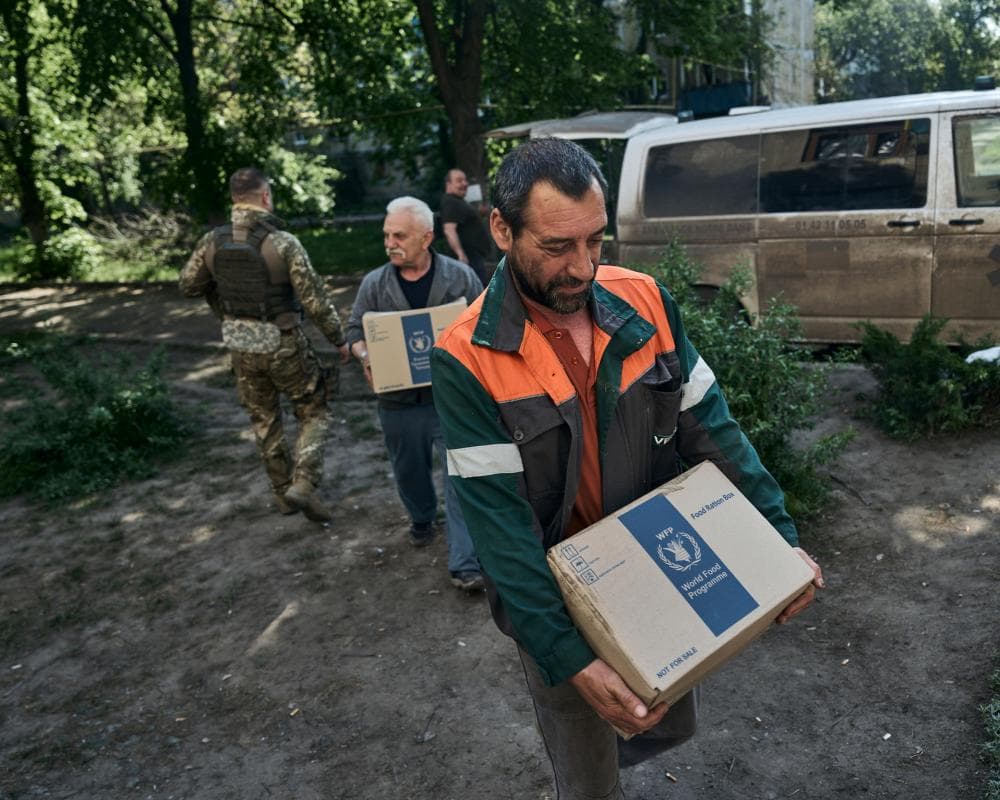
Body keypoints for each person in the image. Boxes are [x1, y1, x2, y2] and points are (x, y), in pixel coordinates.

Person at [431, 138, 825, 799]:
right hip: (557, 595)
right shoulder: (466, 358)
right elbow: (502, 534)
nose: (582, 267)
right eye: (557, 246)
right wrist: (569, 656)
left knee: (661, 717)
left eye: (595, 240)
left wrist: (780, 540)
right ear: (501, 228)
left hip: (654, 566)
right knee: (587, 768)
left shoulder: (646, 302)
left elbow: (715, 433)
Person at [179, 167, 349, 523]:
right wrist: (339, 339)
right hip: (283, 344)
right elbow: (315, 301)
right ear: (266, 197)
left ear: (234, 198)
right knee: (314, 409)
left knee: (264, 419)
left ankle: (282, 493)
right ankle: (304, 482)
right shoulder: (283, 243)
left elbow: (188, 285)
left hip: (239, 346)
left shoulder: (211, 242)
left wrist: (223, 298)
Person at [346, 196, 486, 592]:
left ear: (426, 238)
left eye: (399, 236)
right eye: (386, 235)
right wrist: (366, 356)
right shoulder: (374, 284)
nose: (389, 243)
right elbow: (354, 331)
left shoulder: (460, 277)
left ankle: (465, 564)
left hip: (450, 400)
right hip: (399, 404)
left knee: (460, 476)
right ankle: (422, 518)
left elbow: (485, 322)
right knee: (409, 471)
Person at [440, 168, 493, 286]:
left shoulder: (458, 201)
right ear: (448, 184)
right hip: (469, 260)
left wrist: (479, 213)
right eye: (459, 181)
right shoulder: (451, 202)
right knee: (477, 292)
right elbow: (449, 230)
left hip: (474, 258)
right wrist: (461, 254)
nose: (464, 183)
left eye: (465, 180)